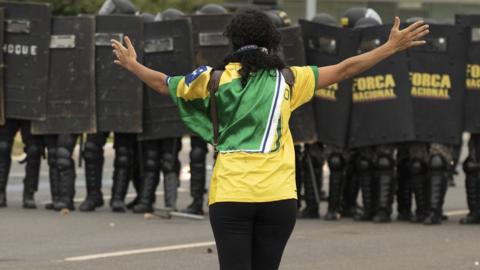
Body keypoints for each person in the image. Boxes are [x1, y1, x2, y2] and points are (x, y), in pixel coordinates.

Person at [112, 9, 428, 270]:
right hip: (279, 198)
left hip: (230, 197)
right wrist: (390, 47)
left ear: (233, 42)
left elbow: (162, 83)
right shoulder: (290, 79)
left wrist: (132, 65)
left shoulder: (213, 79)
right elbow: (346, 69)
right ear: (271, 42)